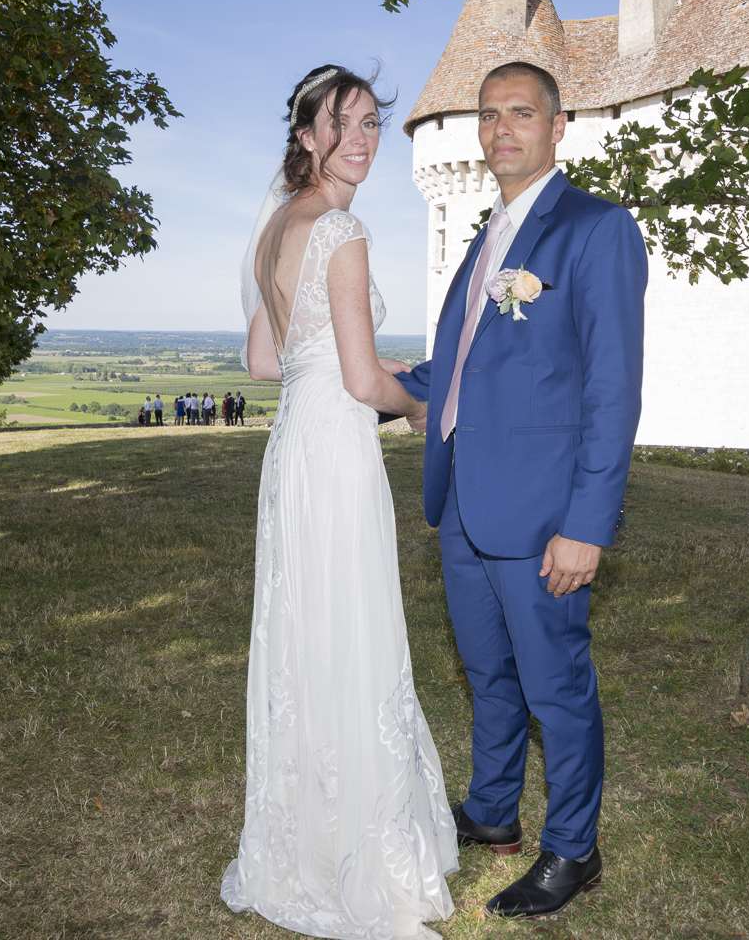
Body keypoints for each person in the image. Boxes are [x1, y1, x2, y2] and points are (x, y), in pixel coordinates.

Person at [395, 62, 648, 919]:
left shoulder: (596, 229)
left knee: (555, 688)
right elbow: (461, 363)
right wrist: (362, 383)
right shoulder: (486, 237)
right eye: (487, 115)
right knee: (487, 672)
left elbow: (612, 390)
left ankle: (573, 849)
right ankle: (492, 809)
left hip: (543, 513)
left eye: (520, 113)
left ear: (558, 124)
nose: (500, 130)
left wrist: (588, 524)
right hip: (463, 499)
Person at [221, 64, 456, 939]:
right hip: (338, 450)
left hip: (294, 449)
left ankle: (301, 842)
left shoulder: (278, 226)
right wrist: (419, 402)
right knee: (351, 627)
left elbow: (267, 361)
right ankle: (358, 851)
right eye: (341, 123)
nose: (360, 140)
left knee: (306, 630)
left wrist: (358, 364)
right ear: (307, 135)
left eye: (370, 124)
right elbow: (360, 382)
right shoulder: (341, 227)